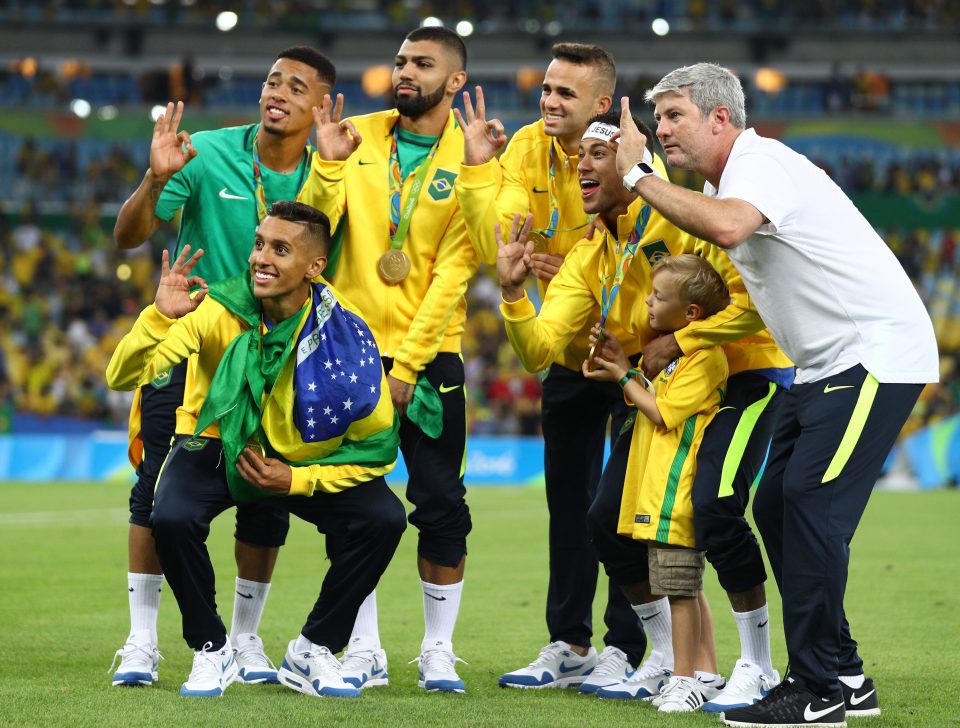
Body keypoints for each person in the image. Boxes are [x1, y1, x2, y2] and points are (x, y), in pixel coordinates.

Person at [616, 63, 938, 726]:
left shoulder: (757, 165)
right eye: (659, 116)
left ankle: (816, 688)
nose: (662, 127)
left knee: (807, 504)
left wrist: (635, 175)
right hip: (826, 364)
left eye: (675, 114)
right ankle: (844, 672)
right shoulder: (735, 176)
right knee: (777, 504)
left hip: (873, 355)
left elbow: (729, 227)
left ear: (721, 119)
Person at [495, 110, 786, 703]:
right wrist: (512, 294)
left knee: (715, 509)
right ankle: (666, 655)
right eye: (579, 159)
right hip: (662, 387)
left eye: (598, 155)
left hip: (742, 375)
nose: (582, 166)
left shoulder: (678, 218)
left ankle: (755, 664)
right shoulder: (589, 251)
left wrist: (678, 339)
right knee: (608, 521)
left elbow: (755, 304)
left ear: (631, 163)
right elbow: (539, 349)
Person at [106, 201, 407, 699]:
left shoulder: (345, 332)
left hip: (295, 462)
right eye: (260, 244)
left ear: (315, 267)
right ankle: (211, 648)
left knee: (384, 519)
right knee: (172, 516)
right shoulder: (217, 307)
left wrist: (298, 480)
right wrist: (158, 317)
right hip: (215, 444)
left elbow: (374, 447)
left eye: (281, 249)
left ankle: (312, 648)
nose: (261, 258)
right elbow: (121, 376)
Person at [109, 46, 336, 687]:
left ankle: (244, 640)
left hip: (278, 360)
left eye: (297, 85)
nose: (278, 91)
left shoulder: (331, 169)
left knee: (264, 495)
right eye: (272, 79)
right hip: (194, 344)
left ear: (321, 104)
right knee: (156, 486)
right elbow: (128, 236)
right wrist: (155, 180)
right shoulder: (205, 152)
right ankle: (141, 641)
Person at [453, 43, 651, 692]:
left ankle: (629, 647)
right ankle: (569, 642)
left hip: (635, 354)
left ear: (602, 104)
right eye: (546, 88)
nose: (549, 101)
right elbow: (498, 248)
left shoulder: (630, 158)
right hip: (569, 348)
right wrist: (481, 172)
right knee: (567, 505)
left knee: (624, 504)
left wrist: (566, 267)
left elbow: (644, 248)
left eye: (566, 93)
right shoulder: (526, 148)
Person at [298, 26, 476, 693]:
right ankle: (362, 648)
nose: (405, 71)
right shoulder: (356, 134)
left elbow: (455, 274)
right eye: (400, 61)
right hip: (347, 355)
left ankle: (437, 651)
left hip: (429, 363)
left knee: (440, 505)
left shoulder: (475, 155)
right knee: (356, 505)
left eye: (423, 64)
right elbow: (309, 235)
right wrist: (327, 165)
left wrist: (404, 370)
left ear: (454, 82)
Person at [583, 253, 729, 713]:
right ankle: (704, 671)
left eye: (659, 296)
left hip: (676, 490)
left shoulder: (704, 358)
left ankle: (682, 677)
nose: (648, 301)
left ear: (691, 315)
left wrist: (624, 376)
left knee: (681, 588)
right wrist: (619, 368)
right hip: (660, 487)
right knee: (685, 584)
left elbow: (661, 412)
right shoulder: (679, 357)